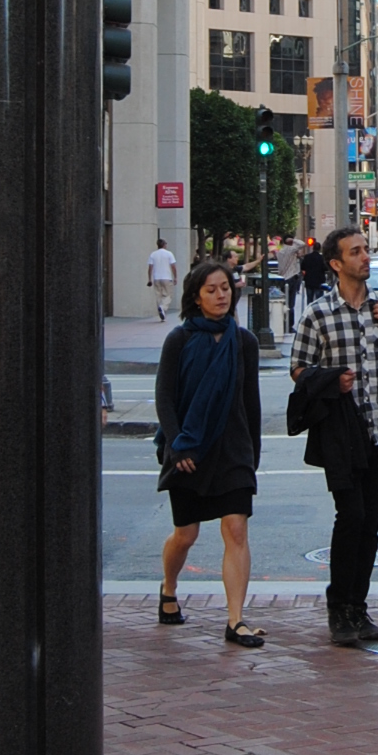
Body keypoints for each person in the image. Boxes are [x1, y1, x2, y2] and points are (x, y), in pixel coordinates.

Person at [289, 225, 378, 645]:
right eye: (355, 252)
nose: (365, 257)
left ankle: (358, 607)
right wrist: (330, 380)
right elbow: (298, 369)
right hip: (341, 432)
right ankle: (339, 606)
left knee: (371, 521)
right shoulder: (318, 314)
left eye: (365, 249)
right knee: (351, 515)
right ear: (336, 264)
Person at [155, 257, 265, 646]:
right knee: (185, 534)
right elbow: (165, 398)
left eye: (225, 288)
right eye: (211, 290)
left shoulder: (244, 342)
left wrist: (253, 454)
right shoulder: (180, 340)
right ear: (196, 297)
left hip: (233, 449)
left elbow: (250, 402)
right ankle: (169, 587)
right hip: (189, 450)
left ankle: (235, 620)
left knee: (236, 527)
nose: (221, 295)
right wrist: (176, 444)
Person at [147, 238, 179, 322]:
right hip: (166, 277)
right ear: (164, 245)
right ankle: (163, 307)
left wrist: (149, 279)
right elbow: (173, 267)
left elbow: (150, 268)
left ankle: (162, 314)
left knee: (158, 295)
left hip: (156, 278)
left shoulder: (153, 254)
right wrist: (175, 277)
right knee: (168, 295)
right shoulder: (169, 254)